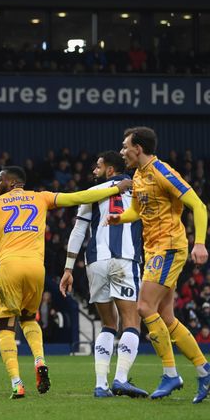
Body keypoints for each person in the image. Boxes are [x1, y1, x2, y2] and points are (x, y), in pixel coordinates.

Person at [0, 166, 130, 399]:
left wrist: (9, 248)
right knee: (29, 318)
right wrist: (115, 187)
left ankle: (17, 382)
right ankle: (40, 359)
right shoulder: (41, 197)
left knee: (6, 327)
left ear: (12, 183)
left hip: (9, 265)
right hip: (35, 268)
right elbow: (78, 197)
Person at [106, 127, 210, 403]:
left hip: (169, 247)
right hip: (153, 250)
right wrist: (120, 218)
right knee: (166, 316)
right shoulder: (138, 176)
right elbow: (138, 212)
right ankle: (203, 370)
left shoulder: (163, 172)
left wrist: (200, 243)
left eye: (125, 146)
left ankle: (171, 373)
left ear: (138, 148)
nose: (121, 152)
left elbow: (198, 206)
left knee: (143, 307)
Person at [60, 151, 148, 398]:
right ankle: (120, 379)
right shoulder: (140, 189)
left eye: (98, 167)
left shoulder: (92, 193)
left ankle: (101, 384)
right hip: (124, 259)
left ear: (110, 170)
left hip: (95, 262)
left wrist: (68, 268)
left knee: (108, 324)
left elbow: (78, 231)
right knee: (131, 322)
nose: (94, 171)